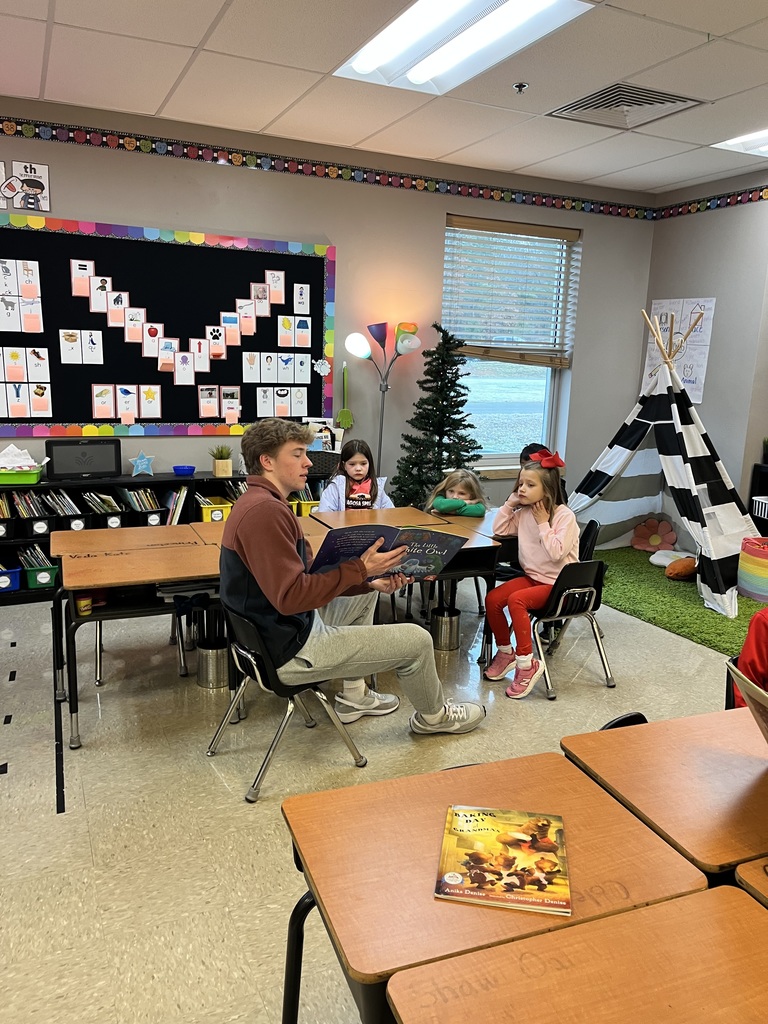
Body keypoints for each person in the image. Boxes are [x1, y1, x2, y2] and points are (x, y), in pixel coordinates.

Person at [220, 418, 485, 735]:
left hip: (280, 633)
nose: (308, 462)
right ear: (267, 461)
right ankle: (435, 718)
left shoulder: (262, 503)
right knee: (418, 640)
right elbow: (291, 597)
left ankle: (355, 696)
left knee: (368, 594)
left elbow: (307, 578)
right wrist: (361, 568)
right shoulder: (265, 512)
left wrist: (368, 580)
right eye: (298, 454)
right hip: (293, 649)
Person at [483, 449, 579, 699]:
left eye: (529, 485)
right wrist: (510, 504)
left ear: (547, 489)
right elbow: (500, 528)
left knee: (517, 600)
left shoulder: (565, 516)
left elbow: (556, 553)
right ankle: (507, 653)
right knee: (493, 599)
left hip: (560, 587)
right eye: (520, 484)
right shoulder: (524, 513)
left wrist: (543, 523)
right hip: (533, 579)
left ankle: (527, 664)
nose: (522, 489)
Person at [318, 438, 395, 512]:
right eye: (352, 464)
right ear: (344, 465)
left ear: (369, 464)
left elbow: (390, 513)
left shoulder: (377, 487)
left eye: (363, 464)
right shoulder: (335, 487)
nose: (358, 468)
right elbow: (325, 514)